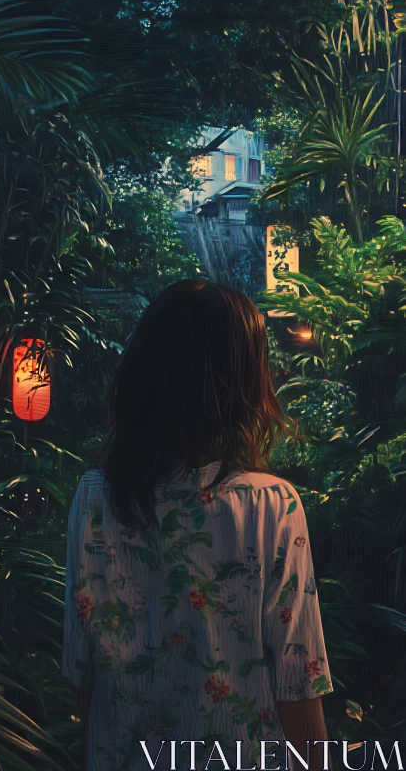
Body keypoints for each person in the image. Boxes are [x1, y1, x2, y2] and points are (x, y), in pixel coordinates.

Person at [62, 279, 333, 771]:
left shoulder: (93, 499)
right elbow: (298, 686)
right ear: (245, 384)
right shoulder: (271, 506)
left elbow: (82, 679)